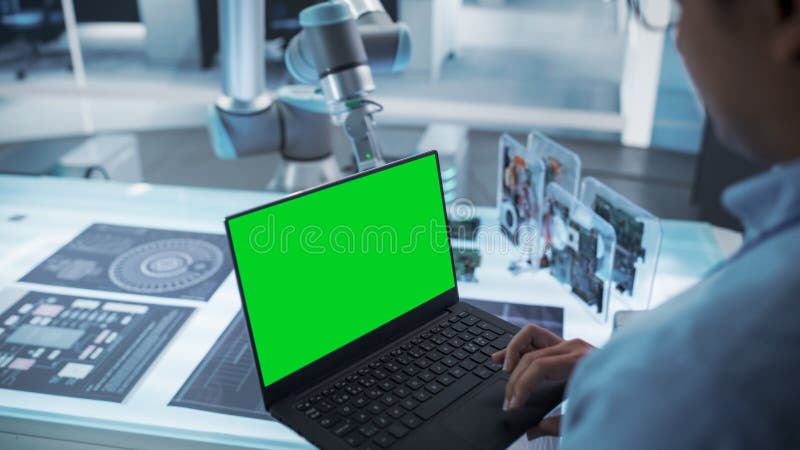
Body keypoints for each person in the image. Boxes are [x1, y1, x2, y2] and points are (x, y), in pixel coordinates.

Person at [492, 0, 800, 448]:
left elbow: (705, 381)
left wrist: (635, 384)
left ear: (783, 15)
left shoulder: (692, 377)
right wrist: (619, 367)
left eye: (679, 12)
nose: (679, 40)